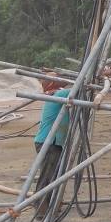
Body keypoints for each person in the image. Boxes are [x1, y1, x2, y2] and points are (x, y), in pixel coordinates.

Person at [34, 71, 70, 214]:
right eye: (58, 77)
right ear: (52, 83)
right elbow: (82, 89)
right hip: (49, 143)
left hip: (52, 142)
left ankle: (51, 203)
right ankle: (41, 208)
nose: (62, 78)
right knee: (47, 176)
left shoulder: (58, 94)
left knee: (54, 175)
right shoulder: (60, 95)